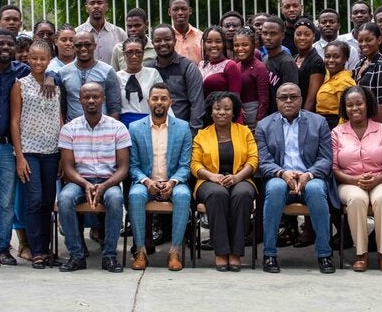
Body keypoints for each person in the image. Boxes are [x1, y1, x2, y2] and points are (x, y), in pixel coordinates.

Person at [256, 83, 338, 274]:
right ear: (276, 101)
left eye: (293, 97)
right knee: (275, 189)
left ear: (301, 99)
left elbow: (326, 159)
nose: (288, 101)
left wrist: (308, 174)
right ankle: (269, 254)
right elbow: (264, 161)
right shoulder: (264, 125)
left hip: (311, 176)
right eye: (283, 97)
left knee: (316, 190)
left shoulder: (318, 122)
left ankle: (324, 254)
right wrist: (283, 173)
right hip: (280, 177)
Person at [57, 83, 131, 272]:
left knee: (115, 198)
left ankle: (109, 256)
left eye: (96, 97)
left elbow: (123, 167)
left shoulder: (118, 128)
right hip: (79, 180)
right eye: (87, 97)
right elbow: (67, 167)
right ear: (79, 100)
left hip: (108, 180)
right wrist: (85, 184)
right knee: (65, 199)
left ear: (103, 99)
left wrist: (104, 186)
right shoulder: (69, 129)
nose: (91, 101)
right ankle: (76, 255)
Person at [128, 83, 193, 271]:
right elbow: (133, 166)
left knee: (183, 195)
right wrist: (147, 181)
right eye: (155, 98)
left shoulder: (182, 128)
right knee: (135, 195)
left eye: (163, 99)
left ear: (170, 102)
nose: (159, 102)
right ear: (148, 102)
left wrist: (172, 182)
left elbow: (184, 165)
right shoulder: (135, 128)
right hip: (145, 181)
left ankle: (174, 252)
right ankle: (140, 251)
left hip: (174, 180)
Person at [191, 92, 258, 271]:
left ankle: (235, 252)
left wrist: (237, 177)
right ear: (210, 112)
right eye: (217, 108)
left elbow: (253, 160)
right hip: (210, 180)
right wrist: (212, 176)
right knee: (217, 194)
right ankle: (221, 252)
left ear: (234, 111)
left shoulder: (244, 132)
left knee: (242, 194)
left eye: (227, 108)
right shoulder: (202, 135)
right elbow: (195, 164)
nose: (222, 112)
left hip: (240, 177)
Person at [10, 40, 63, 269]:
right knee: (34, 199)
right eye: (34, 58)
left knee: (48, 201)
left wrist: (63, 154)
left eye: (43, 58)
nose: (38, 62)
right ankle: (36, 249)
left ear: (49, 59)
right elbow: (14, 121)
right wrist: (19, 156)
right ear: (28, 59)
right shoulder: (20, 85)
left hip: (52, 151)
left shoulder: (56, 86)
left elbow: (59, 119)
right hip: (29, 151)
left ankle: (47, 248)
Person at [332, 86, 382, 272]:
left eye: (359, 103)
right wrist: (355, 180)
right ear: (344, 108)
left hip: (381, 179)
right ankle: (361, 254)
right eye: (349, 105)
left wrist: (377, 179)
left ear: (367, 105)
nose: (355, 108)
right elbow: (334, 168)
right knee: (357, 199)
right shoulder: (337, 132)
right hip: (349, 181)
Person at [0, 29, 31, 266]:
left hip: (6, 148)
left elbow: (45, 74)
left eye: (9, 44)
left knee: (5, 201)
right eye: (0, 43)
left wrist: (52, 78)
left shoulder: (21, 71)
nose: (5, 48)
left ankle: (2, 247)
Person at [146, 24, 205, 135]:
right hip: (153, 132)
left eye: (167, 39)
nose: (163, 43)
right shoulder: (148, 69)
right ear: (152, 43)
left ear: (175, 40)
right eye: (158, 40)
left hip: (183, 132)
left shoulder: (188, 67)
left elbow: (197, 105)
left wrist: (192, 134)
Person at [59, 31, 121, 121]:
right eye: (78, 45)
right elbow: (62, 107)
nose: (83, 48)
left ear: (95, 46)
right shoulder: (63, 73)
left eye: (88, 44)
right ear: (73, 47)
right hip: (73, 129)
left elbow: (114, 106)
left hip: (103, 128)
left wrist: (111, 130)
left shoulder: (107, 71)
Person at [117, 36, 164, 127]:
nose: (134, 56)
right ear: (123, 54)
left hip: (149, 124)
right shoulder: (116, 77)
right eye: (129, 52)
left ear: (143, 54)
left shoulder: (153, 74)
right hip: (124, 125)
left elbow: (161, 98)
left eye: (138, 52)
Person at [353, 23, 382, 124]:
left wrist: (371, 130)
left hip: (376, 125)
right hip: (360, 122)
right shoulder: (359, 64)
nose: (363, 44)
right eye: (360, 41)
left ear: (379, 40)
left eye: (368, 40)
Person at [76, 0, 128, 64]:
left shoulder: (119, 33)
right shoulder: (77, 33)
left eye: (100, 3)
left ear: (106, 7)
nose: (96, 6)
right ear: (86, 8)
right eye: (92, 3)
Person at [232, 26, 269, 130]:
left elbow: (264, 101)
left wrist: (258, 124)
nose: (240, 49)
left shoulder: (259, 67)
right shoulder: (237, 65)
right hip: (238, 117)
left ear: (254, 45)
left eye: (245, 45)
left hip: (253, 118)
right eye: (236, 45)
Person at [261, 15, 299, 114]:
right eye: (265, 33)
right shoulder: (264, 59)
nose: (268, 37)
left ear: (282, 35)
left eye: (273, 34)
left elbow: (290, 98)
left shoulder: (287, 63)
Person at [316, 40, 356, 129]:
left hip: (335, 125)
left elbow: (347, 112)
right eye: (327, 56)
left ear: (345, 59)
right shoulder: (327, 77)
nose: (331, 60)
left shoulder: (344, 81)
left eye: (336, 57)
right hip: (323, 123)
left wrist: (338, 132)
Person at [199, 26, 242, 101]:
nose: (213, 45)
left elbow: (235, 98)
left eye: (218, 41)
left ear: (224, 44)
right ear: (204, 44)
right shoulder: (201, 65)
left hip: (222, 111)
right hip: (203, 111)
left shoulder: (230, 65)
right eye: (209, 41)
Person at [294, 18, 326, 112]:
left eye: (307, 34)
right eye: (298, 34)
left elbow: (312, 99)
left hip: (306, 113)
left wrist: (303, 118)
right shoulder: (294, 58)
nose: (302, 38)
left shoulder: (316, 61)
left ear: (313, 37)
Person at [169, 0, 203, 64]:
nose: (180, 13)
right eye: (175, 9)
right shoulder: (166, 38)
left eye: (184, 9)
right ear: (169, 12)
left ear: (190, 10)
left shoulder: (201, 36)